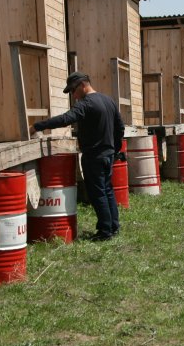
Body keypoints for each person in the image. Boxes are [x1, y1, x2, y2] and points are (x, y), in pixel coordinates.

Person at [33, 72, 125, 240]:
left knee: (98, 194)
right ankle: (114, 226)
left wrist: (38, 126)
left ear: (83, 85)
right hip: (108, 155)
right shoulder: (109, 101)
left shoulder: (86, 103)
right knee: (107, 190)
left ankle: (105, 231)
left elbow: (65, 119)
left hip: (94, 157)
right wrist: (114, 149)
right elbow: (120, 128)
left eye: (73, 91)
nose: (73, 96)